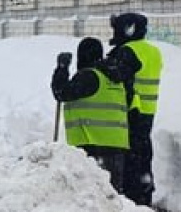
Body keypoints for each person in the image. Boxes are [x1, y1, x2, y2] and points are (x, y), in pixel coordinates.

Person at [52, 37, 130, 193]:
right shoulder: (115, 79)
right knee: (111, 196)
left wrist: (62, 69)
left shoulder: (89, 76)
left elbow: (62, 93)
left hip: (92, 145)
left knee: (90, 195)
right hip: (116, 148)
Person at [107, 12, 163, 207]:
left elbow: (117, 77)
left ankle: (132, 194)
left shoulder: (128, 51)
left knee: (129, 154)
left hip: (131, 110)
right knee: (142, 151)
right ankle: (144, 189)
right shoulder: (153, 51)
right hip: (148, 111)